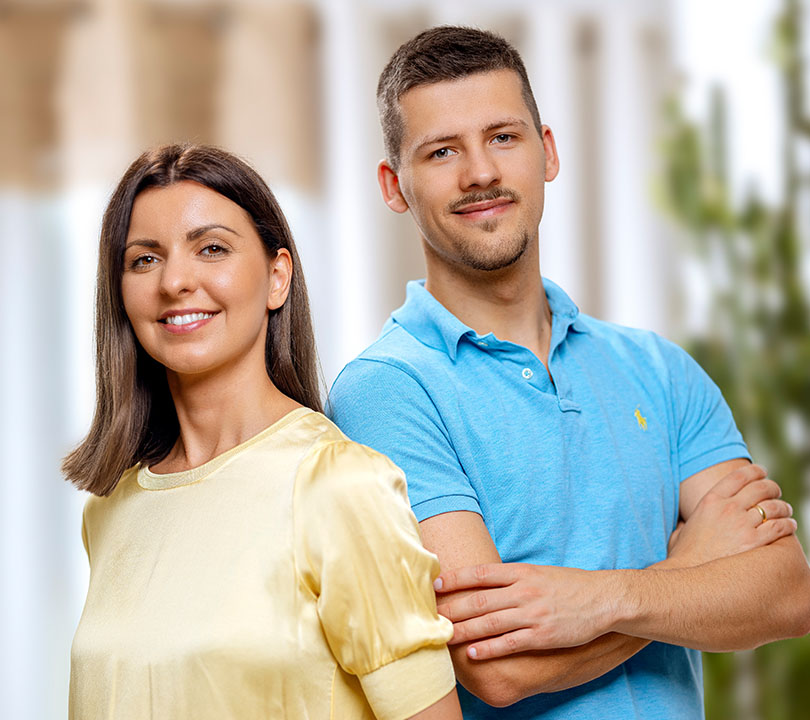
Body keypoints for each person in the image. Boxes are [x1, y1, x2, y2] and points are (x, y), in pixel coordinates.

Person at [327, 26, 810, 719]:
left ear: (546, 151)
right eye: (441, 151)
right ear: (393, 186)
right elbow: (497, 665)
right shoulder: (387, 391)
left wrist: (598, 601)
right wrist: (688, 573)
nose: (481, 174)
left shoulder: (659, 368)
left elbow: (786, 592)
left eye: (503, 137)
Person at [63, 144, 463, 720]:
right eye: (144, 259)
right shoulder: (111, 509)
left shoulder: (339, 485)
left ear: (278, 278)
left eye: (212, 249)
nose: (175, 280)